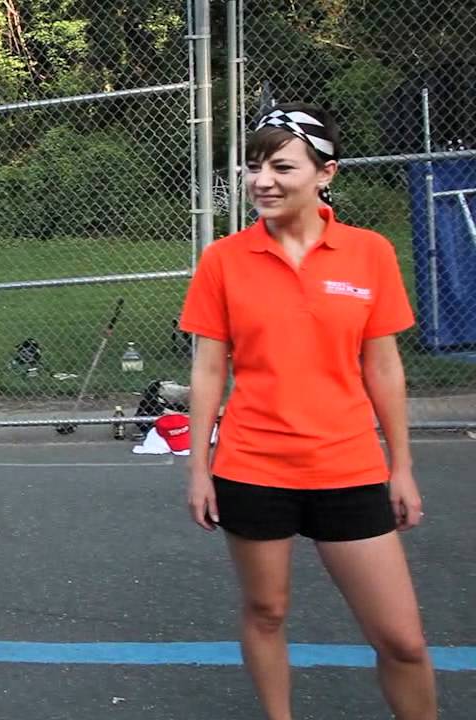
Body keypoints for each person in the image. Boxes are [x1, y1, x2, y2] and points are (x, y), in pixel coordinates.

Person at [180, 102, 437, 720]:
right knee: (266, 612)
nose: (262, 180)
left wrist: (400, 467)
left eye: (281, 166)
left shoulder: (368, 254)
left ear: (326, 174)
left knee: (402, 641)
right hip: (252, 467)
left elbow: (382, 367)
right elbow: (210, 370)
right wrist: (197, 469)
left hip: (347, 465)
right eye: (252, 167)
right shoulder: (223, 260)